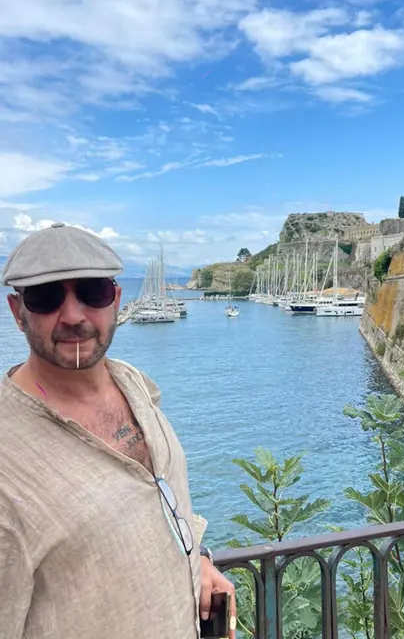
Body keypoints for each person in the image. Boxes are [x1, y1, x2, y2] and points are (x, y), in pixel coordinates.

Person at [0, 223, 236, 638]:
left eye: (92, 292)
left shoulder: (133, 384)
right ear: (18, 312)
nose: (73, 316)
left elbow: (153, 500)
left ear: (116, 300)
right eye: (46, 298)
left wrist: (194, 558)